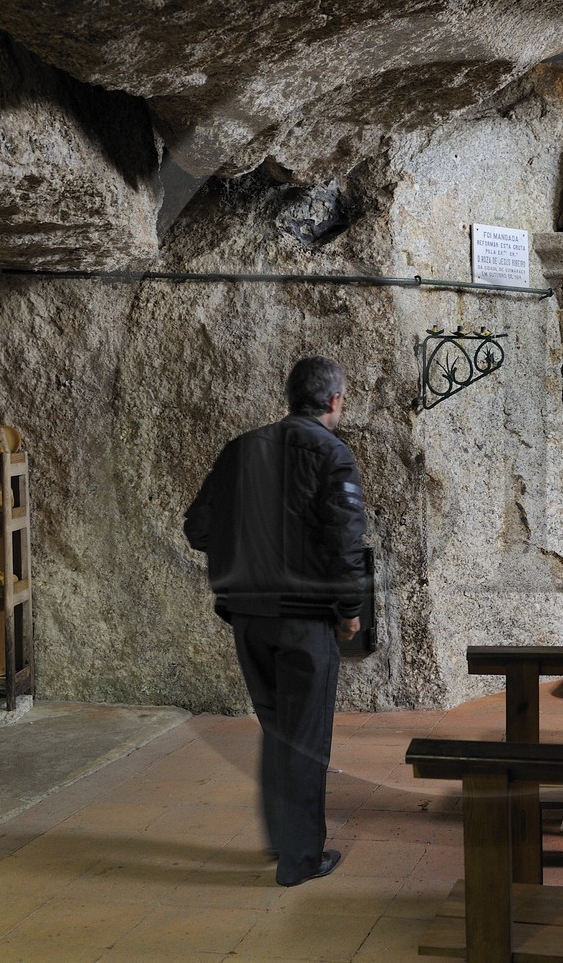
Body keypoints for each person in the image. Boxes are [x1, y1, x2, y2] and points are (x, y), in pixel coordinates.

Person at [183, 355, 368, 886]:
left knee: (276, 730)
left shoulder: (240, 450)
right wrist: (349, 610)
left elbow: (198, 528)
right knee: (305, 738)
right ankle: (300, 860)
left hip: (248, 619)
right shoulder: (332, 453)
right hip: (305, 622)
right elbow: (345, 543)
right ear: (335, 401)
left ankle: (282, 843)